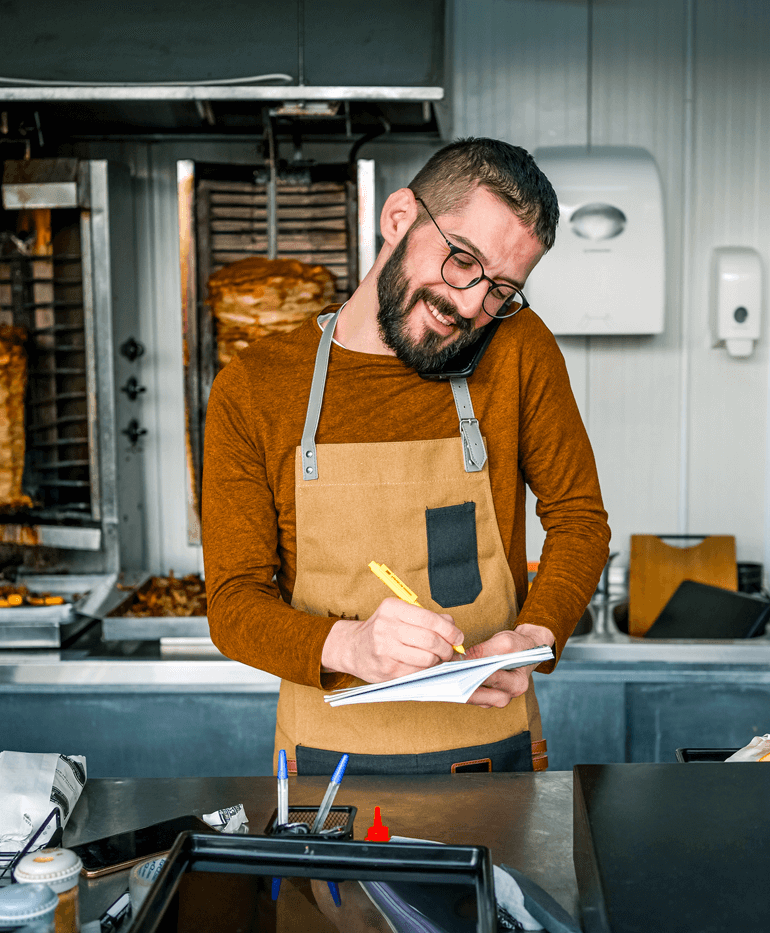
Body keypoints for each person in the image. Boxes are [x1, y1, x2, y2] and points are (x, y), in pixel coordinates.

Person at [202, 138, 610, 776]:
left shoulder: (518, 349)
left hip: (490, 752)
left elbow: (580, 518)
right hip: (323, 764)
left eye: (502, 288)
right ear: (399, 219)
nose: (472, 305)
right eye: (462, 260)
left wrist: (535, 638)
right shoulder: (256, 388)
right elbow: (233, 603)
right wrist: (353, 646)